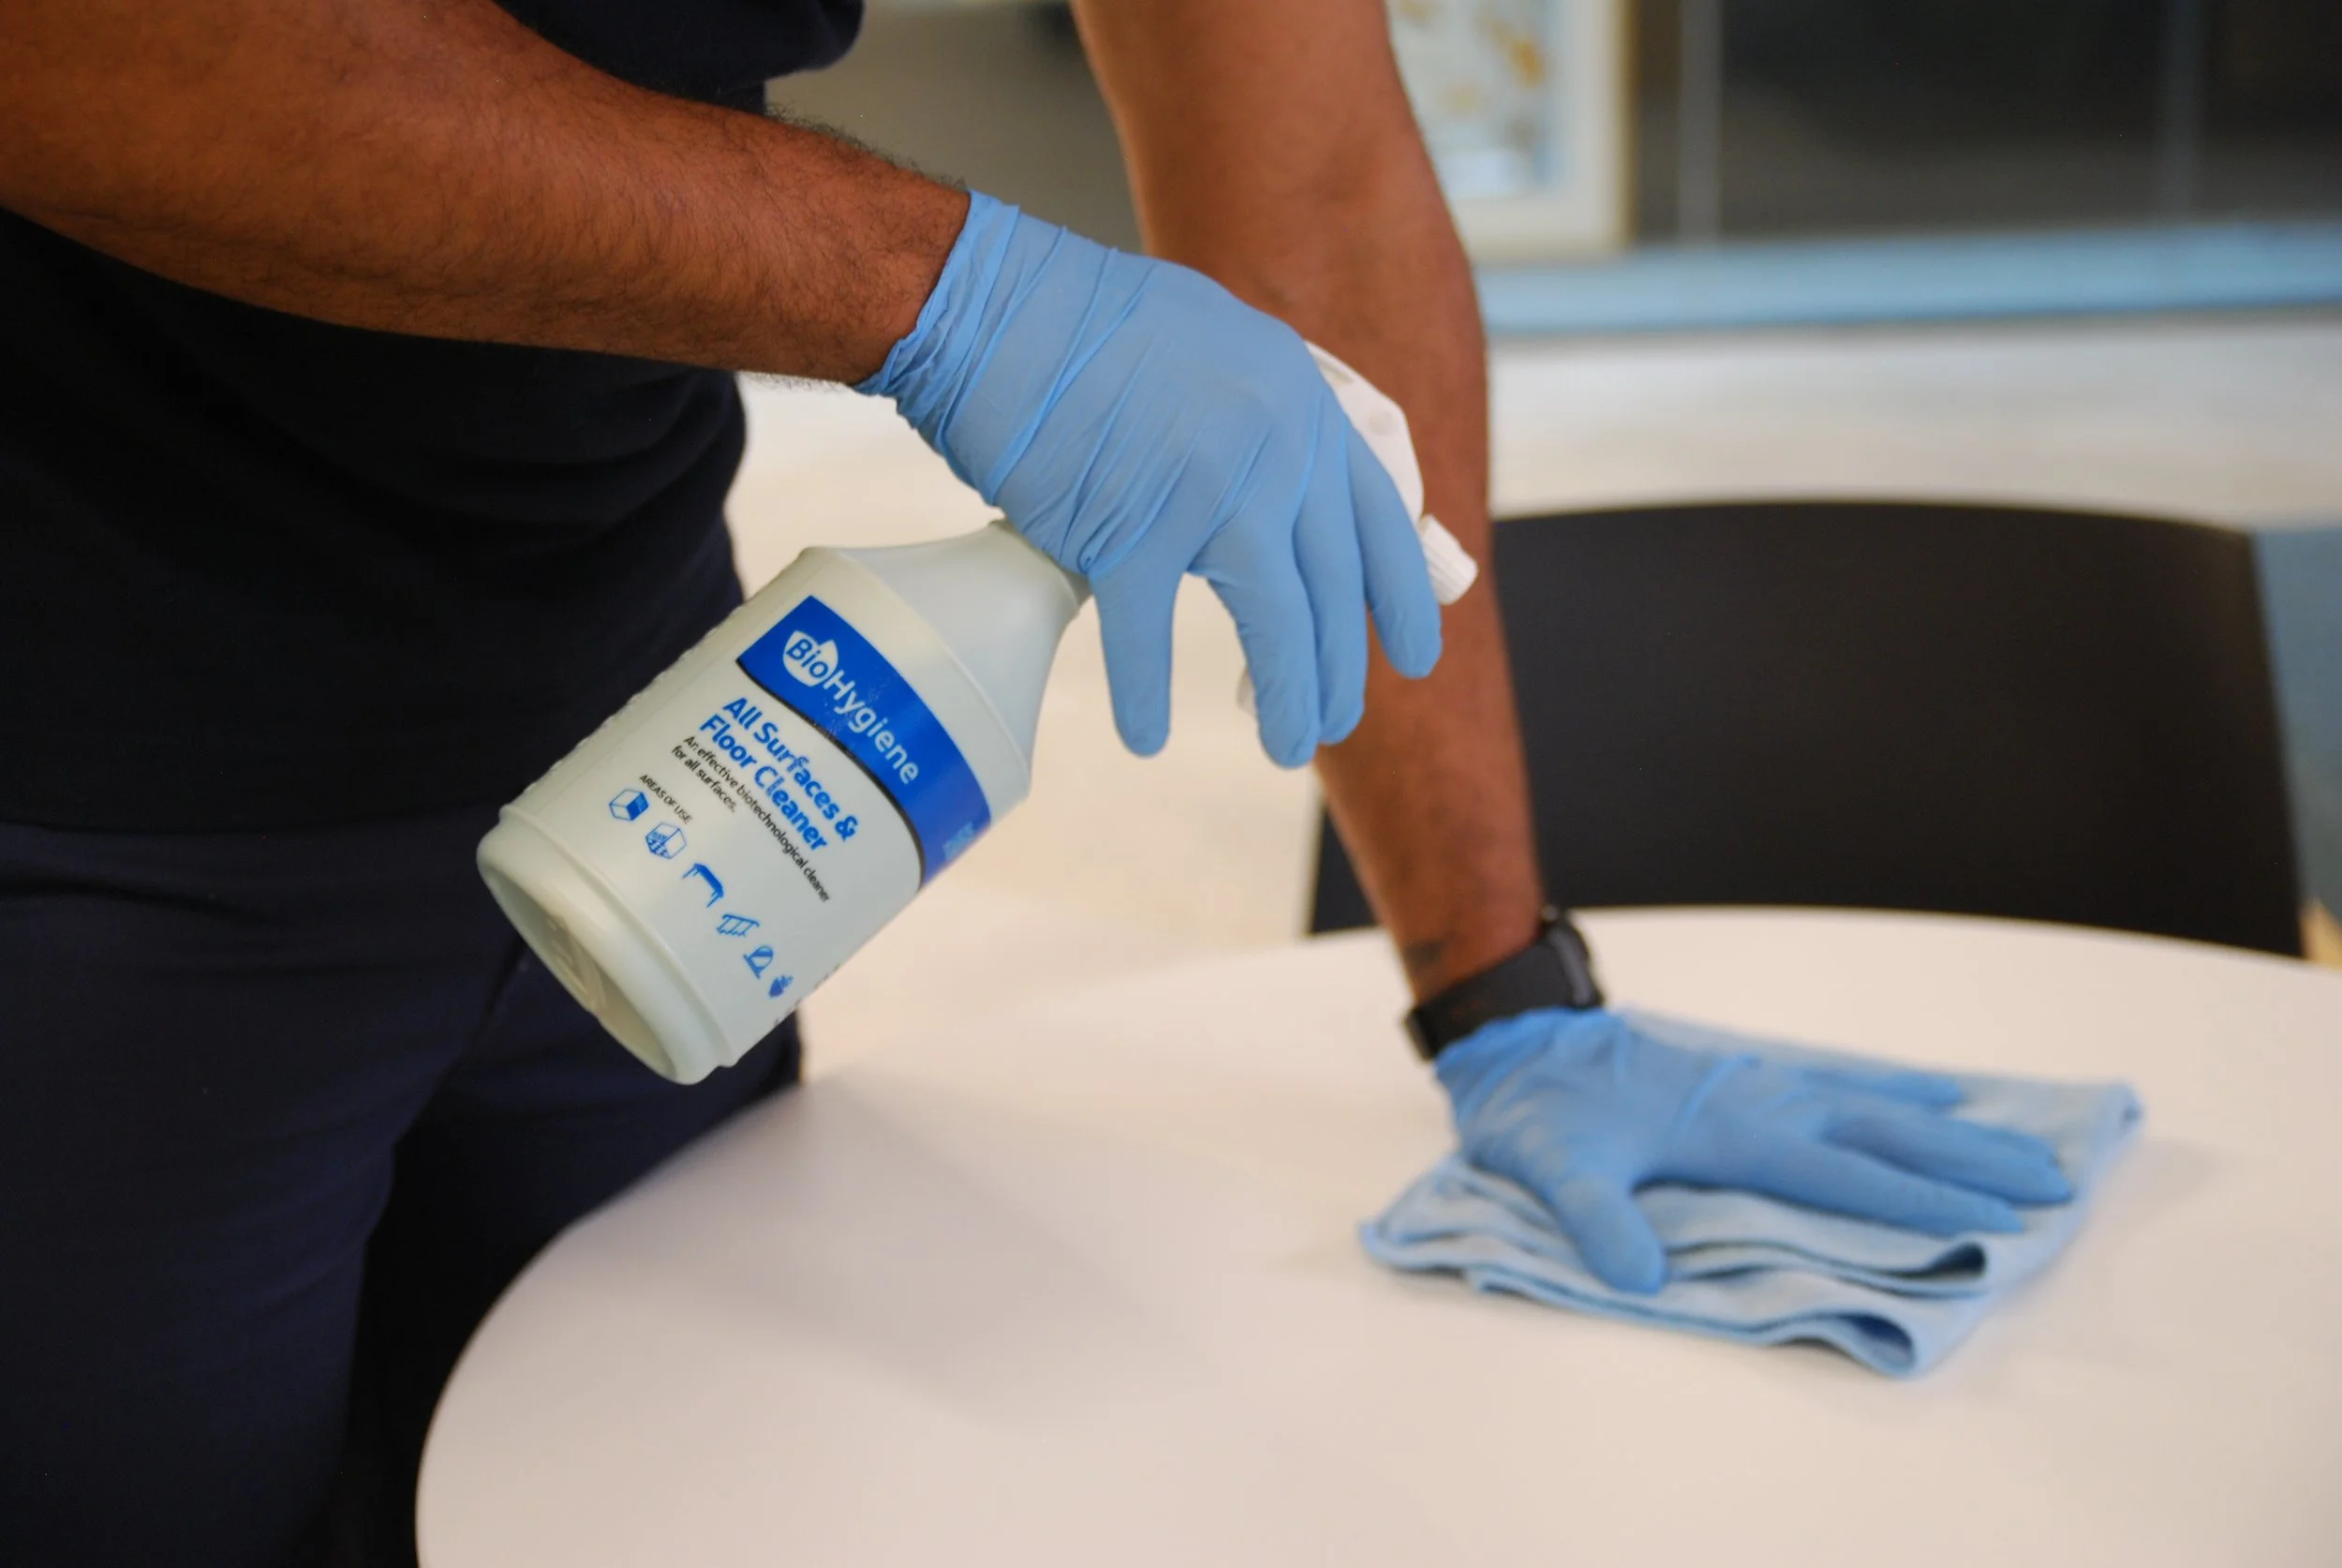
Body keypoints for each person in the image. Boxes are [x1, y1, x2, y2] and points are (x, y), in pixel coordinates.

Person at [0, 2, 2073, 1562]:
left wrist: (1496, 987)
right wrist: (942, 290)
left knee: (662, 1500)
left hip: (648, 740)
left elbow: (1317, 188)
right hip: (90, 803)